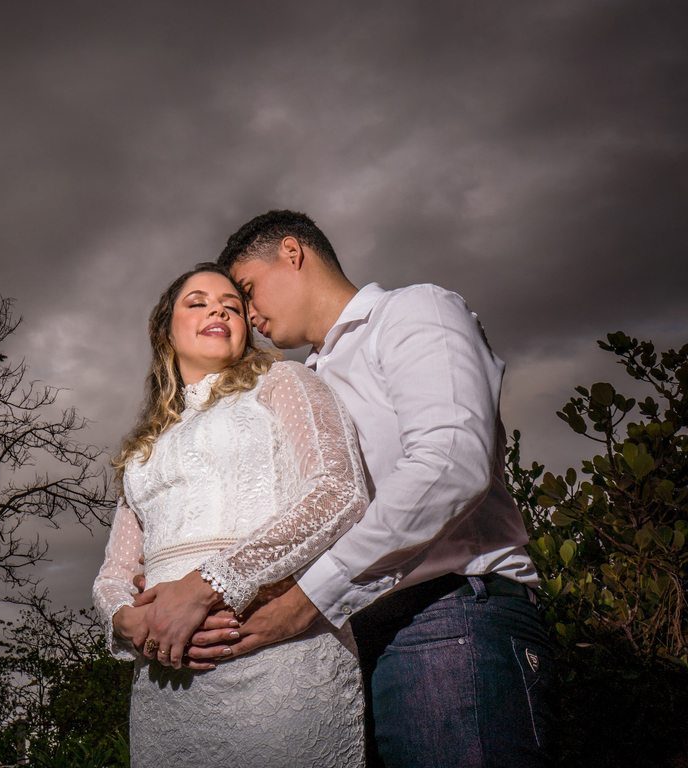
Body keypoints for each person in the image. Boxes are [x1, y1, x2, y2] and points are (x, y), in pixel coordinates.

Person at [184, 210, 556, 767]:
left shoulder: (413, 311)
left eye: (248, 290)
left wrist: (308, 599)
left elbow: (450, 462)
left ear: (292, 253)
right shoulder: (307, 383)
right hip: (350, 640)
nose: (248, 314)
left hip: (451, 618)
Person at [92, 263, 370, 767]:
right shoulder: (142, 449)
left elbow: (338, 491)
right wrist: (129, 621)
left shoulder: (283, 382)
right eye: (197, 303)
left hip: (275, 667)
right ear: (165, 331)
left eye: (232, 307)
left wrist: (211, 583)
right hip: (165, 690)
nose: (218, 311)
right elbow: (115, 573)